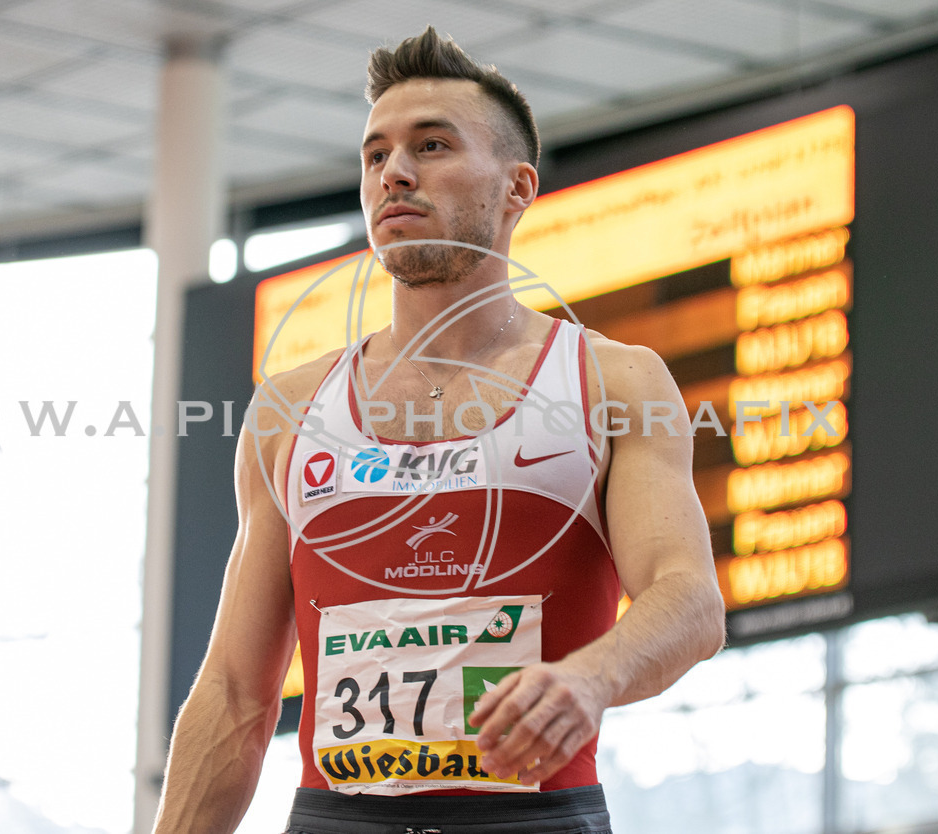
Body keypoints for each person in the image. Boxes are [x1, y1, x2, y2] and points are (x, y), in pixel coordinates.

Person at [152, 26, 726, 834]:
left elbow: (690, 600)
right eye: (375, 154)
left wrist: (590, 678)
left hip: (532, 818)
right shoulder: (288, 408)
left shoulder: (612, 380)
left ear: (517, 187)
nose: (396, 172)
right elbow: (236, 695)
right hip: (334, 817)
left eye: (432, 145)